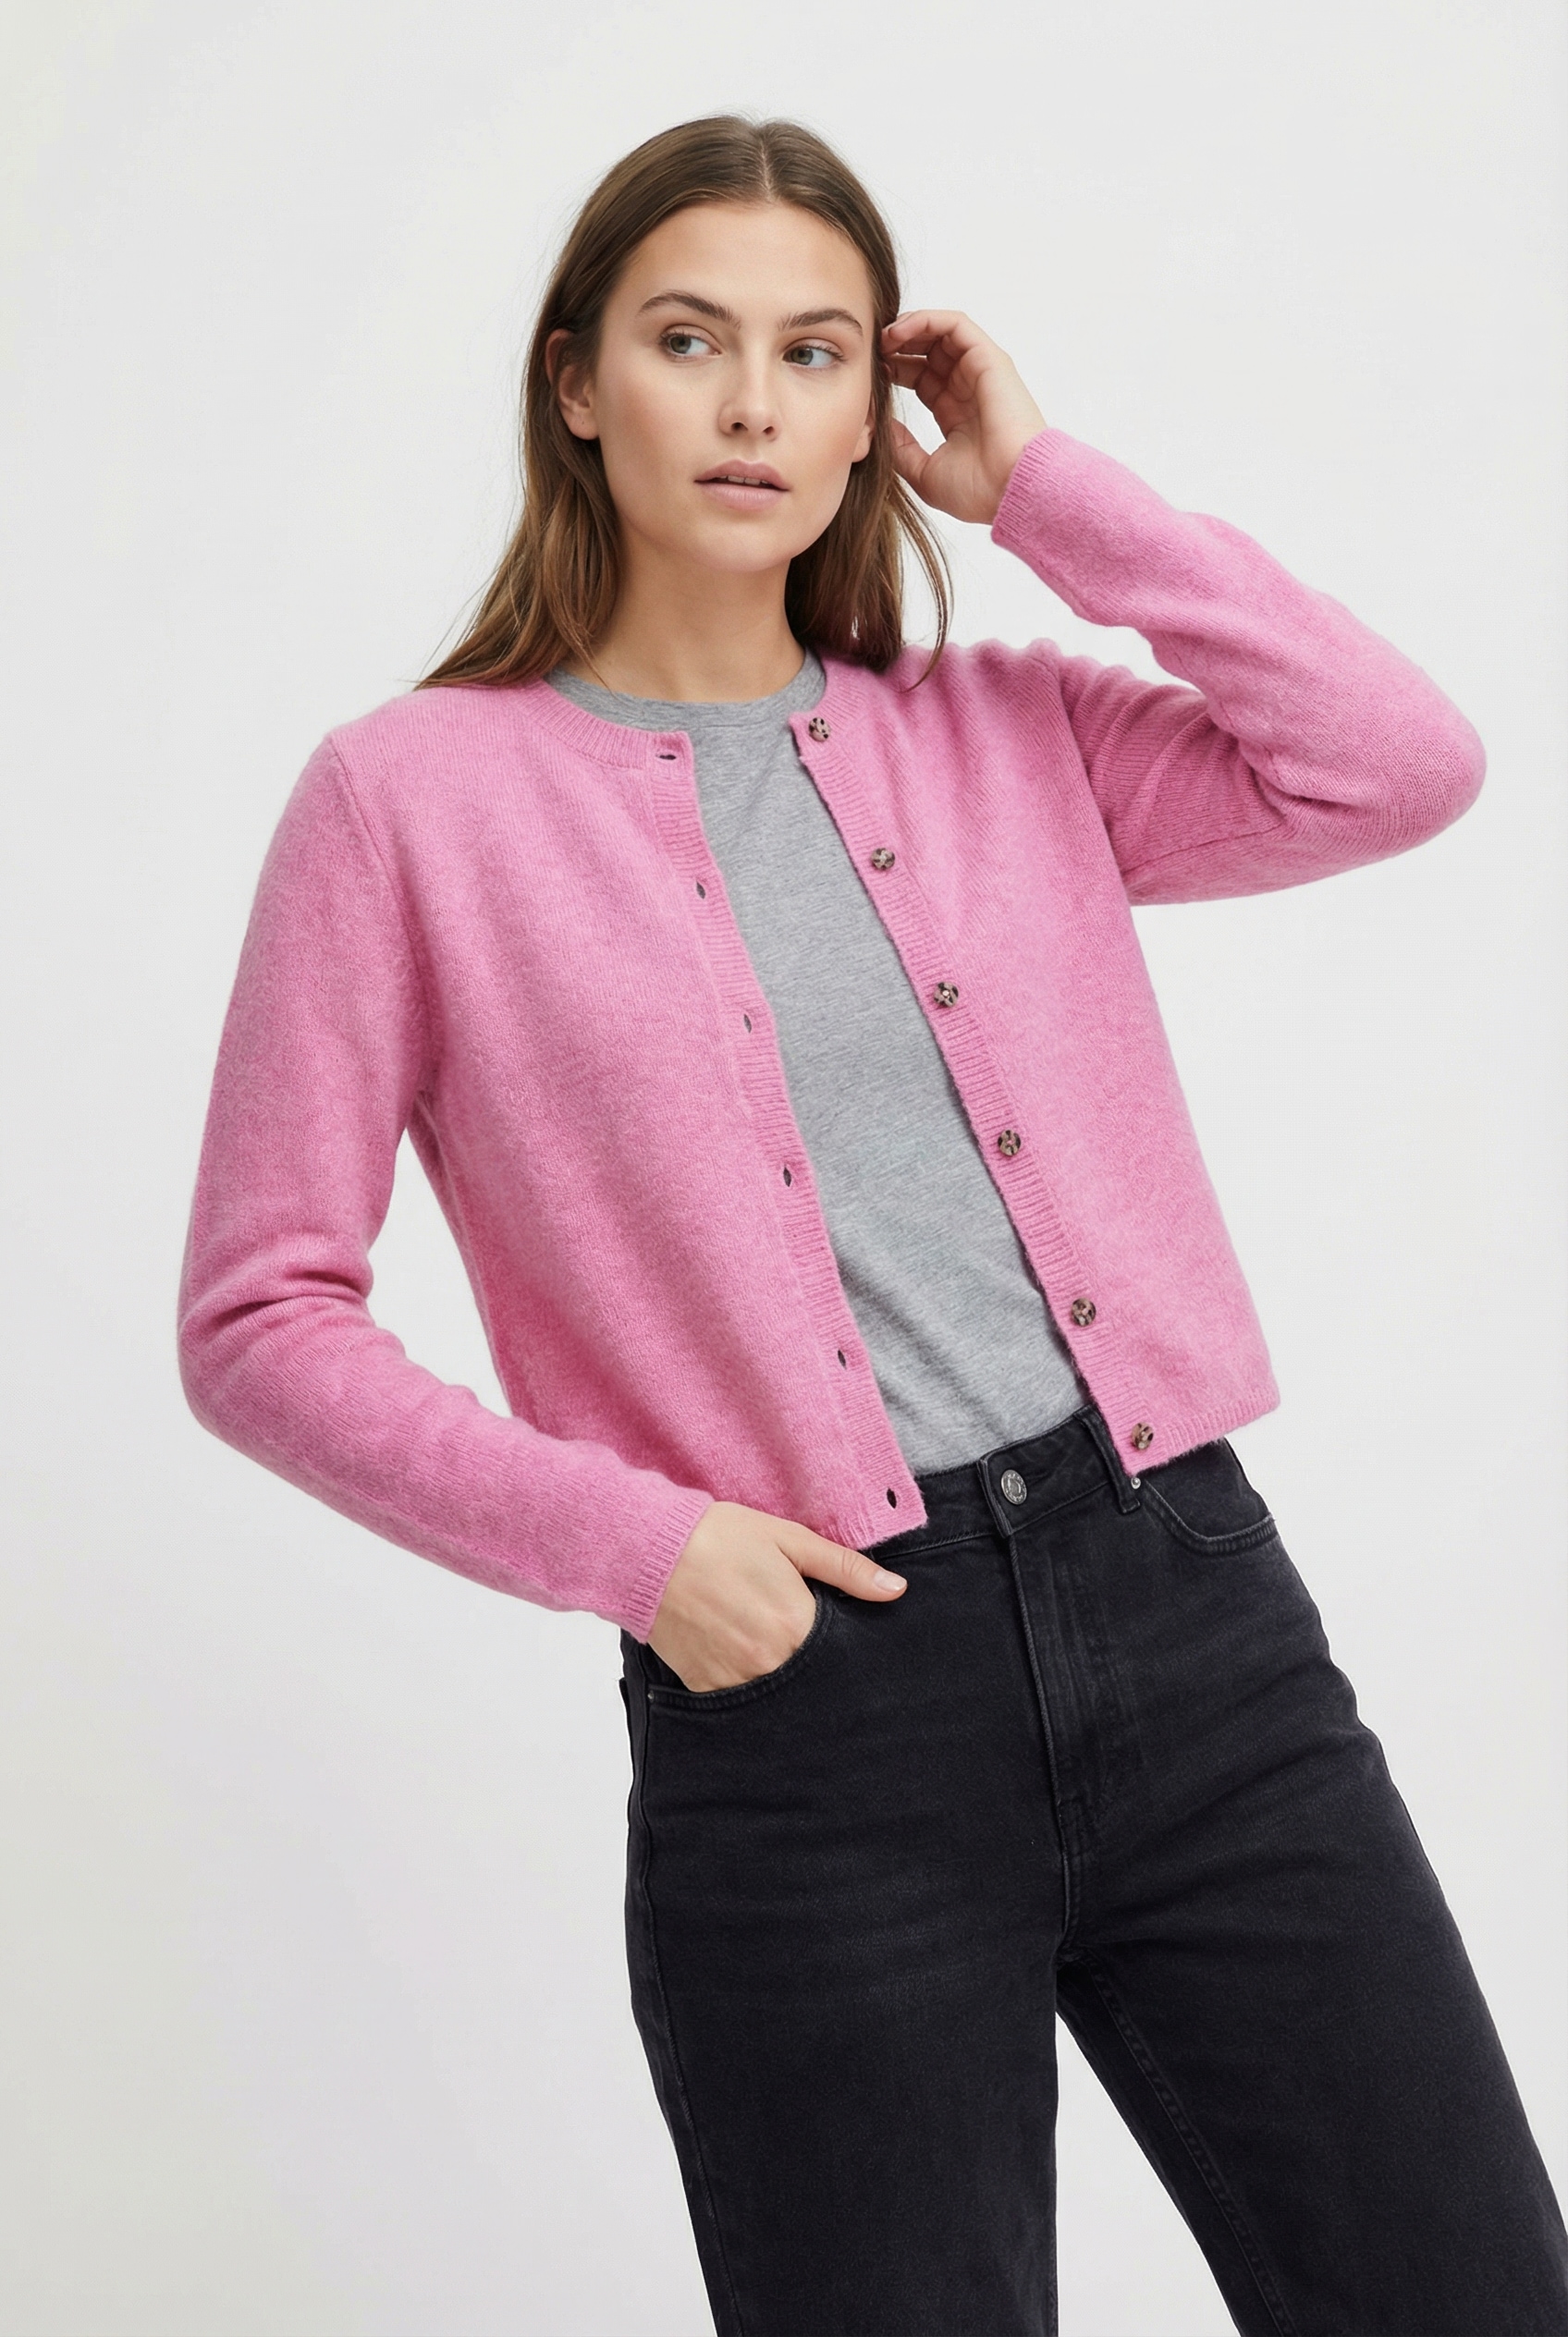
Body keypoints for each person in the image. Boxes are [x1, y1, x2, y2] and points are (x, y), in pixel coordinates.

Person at [177, 113, 1567, 2337]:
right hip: (813, 1712)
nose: (750, 403)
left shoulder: (1007, 733)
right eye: (687, 340)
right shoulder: (404, 803)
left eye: (812, 351)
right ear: (573, 381)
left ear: (869, 412)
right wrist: (641, 1548)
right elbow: (259, 1315)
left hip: (1194, 1620)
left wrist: (1049, 492)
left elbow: (1393, 763)